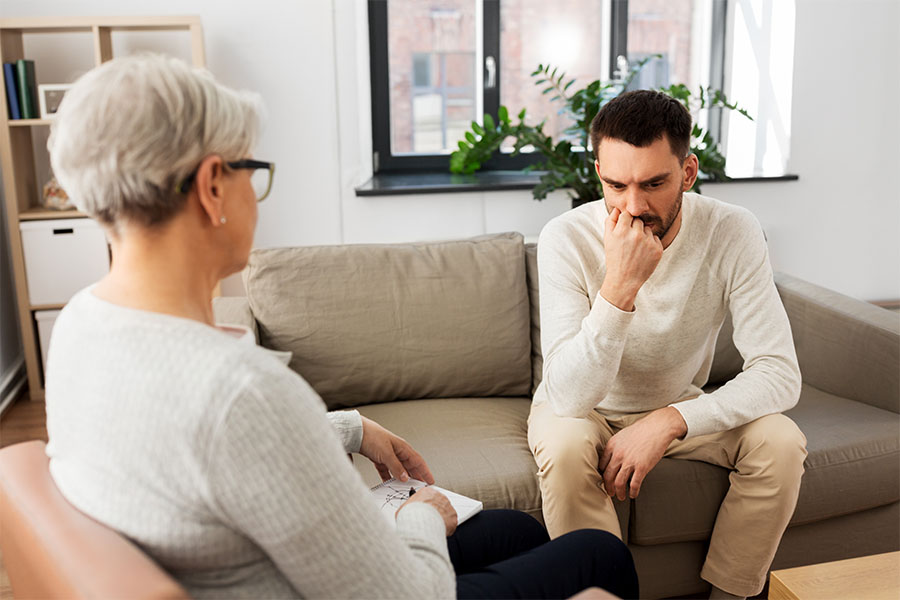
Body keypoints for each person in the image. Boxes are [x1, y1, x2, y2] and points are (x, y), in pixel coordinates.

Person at [44, 54, 638, 600]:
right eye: (252, 169)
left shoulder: (81, 323)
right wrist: (421, 515)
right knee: (597, 556)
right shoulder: (239, 389)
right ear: (211, 188)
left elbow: (200, 452)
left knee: (510, 531)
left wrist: (349, 428)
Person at [527, 89, 807, 600]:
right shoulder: (565, 237)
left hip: (677, 404)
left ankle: (732, 595)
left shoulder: (732, 230)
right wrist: (620, 289)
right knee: (566, 447)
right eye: (616, 184)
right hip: (581, 407)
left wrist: (671, 419)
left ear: (688, 171)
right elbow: (567, 397)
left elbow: (779, 372)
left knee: (781, 441)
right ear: (598, 174)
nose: (633, 206)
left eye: (654, 183)